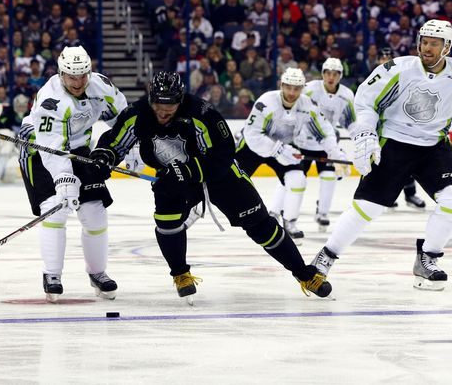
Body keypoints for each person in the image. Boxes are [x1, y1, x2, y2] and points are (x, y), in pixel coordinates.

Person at [89, 71, 331, 302]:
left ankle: (304, 274)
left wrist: (190, 170)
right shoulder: (138, 113)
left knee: (260, 223)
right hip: (172, 176)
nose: (163, 113)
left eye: (170, 107)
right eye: (159, 107)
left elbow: (223, 154)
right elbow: (115, 142)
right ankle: (181, 274)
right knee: (167, 221)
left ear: (180, 100)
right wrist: (104, 156)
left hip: (218, 174)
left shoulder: (201, 112)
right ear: (151, 100)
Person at [311, 19, 452, 291]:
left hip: (434, 145)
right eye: (424, 41)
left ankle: (428, 258)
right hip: (395, 142)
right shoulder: (397, 69)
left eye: (434, 43)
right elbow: (365, 102)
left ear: (447, 47)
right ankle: (325, 257)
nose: (427, 48)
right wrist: (365, 134)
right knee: (368, 207)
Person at [17, 46, 128, 302]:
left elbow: (124, 118)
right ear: (61, 73)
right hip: (39, 151)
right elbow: (51, 147)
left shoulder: (101, 86)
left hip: (78, 150)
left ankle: (98, 273)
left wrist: (129, 150)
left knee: (95, 212)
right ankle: (52, 275)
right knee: (56, 207)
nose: (78, 82)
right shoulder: (50, 99)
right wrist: (64, 179)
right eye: (72, 77)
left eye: (83, 75)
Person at [235, 67, 344, 239]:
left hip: (284, 149)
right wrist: (277, 149)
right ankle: (192, 215)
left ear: (302, 88)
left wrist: (336, 153)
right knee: (227, 183)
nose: (292, 92)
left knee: (298, 179)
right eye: (288, 87)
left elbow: (324, 131)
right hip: (253, 148)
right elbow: (252, 134)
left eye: (296, 88)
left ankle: (290, 222)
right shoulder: (266, 101)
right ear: (281, 85)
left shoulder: (307, 105)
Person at [267, 58, 354, 233]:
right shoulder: (308, 90)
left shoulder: (346, 95)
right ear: (322, 74)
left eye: (335, 74)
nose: (331, 77)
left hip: (326, 143)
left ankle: (322, 213)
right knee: (289, 178)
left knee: (329, 177)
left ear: (340, 76)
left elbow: (350, 121)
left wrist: (360, 140)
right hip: (300, 143)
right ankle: (274, 212)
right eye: (328, 73)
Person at [377, 48, 427, 211]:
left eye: (388, 58)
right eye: (382, 58)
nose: (385, 61)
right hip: (381, 129)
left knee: (407, 162)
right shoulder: (374, 80)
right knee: (385, 165)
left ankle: (410, 195)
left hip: (401, 127)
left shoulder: (403, 78)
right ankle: (386, 195)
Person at [0, 94, 30, 185]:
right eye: (19, 105)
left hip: (24, 143)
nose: (21, 108)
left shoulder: (31, 115)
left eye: (23, 106)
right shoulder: (8, 113)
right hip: (9, 142)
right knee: (4, 152)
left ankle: (36, 179)